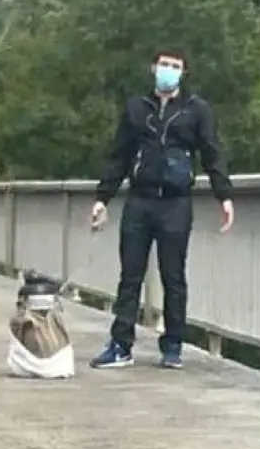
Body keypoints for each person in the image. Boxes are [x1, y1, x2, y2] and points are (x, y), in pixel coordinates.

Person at [89, 48, 235, 371]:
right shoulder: (137, 108)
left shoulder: (196, 110)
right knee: (130, 275)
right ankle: (120, 344)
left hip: (176, 202)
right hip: (139, 200)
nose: (169, 70)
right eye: (164, 64)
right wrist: (103, 198)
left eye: (175, 66)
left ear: (184, 73)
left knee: (173, 276)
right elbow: (119, 156)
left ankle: (172, 346)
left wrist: (223, 196)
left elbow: (212, 152)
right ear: (153, 68)